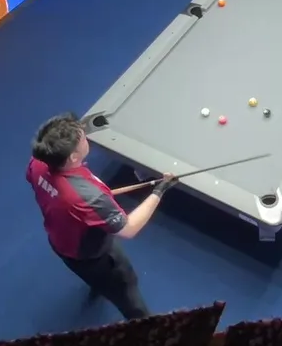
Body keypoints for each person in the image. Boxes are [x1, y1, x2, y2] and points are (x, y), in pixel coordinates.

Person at [26, 114, 177, 321]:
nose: (85, 136)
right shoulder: (88, 197)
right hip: (92, 255)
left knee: (95, 280)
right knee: (126, 288)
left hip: (61, 244)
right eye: (83, 138)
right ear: (73, 157)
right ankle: (146, 325)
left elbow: (56, 191)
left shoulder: (38, 163)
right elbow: (129, 228)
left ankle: (99, 286)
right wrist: (160, 190)